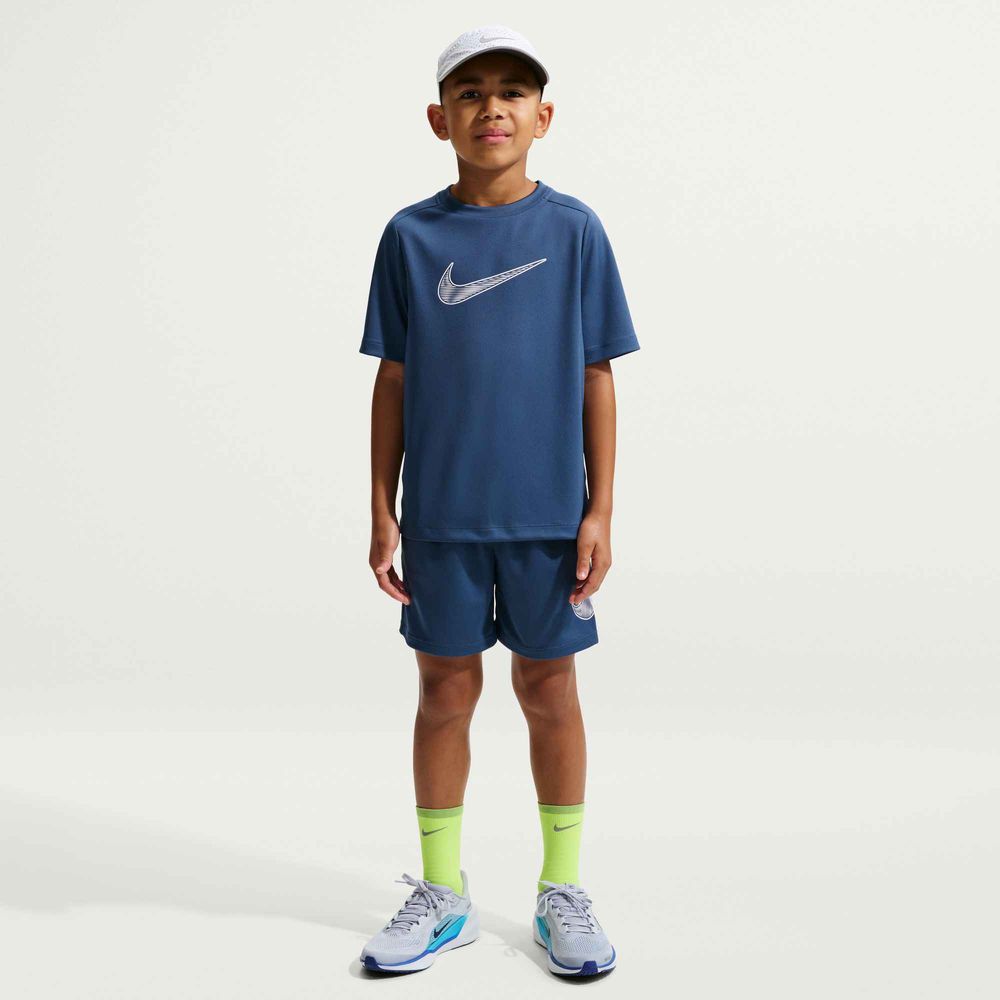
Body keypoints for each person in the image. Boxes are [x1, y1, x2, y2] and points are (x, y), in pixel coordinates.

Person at [357, 24, 640, 978]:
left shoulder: (575, 230)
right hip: (441, 516)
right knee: (444, 690)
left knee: (549, 689)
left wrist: (599, 510)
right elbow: (393, 379)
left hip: (548, 517)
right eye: (470, 92)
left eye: (513, 91)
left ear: (543, 116)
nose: (492, 107)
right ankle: (443, 894)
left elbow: (597, 375)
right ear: (439, 119)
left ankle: (562, 890)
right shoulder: (410, 237)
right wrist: (383, 507)